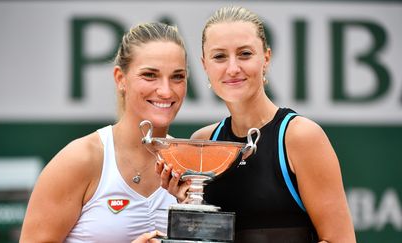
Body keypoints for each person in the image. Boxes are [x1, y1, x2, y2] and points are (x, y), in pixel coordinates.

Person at [158, 6, 356, 243]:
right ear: (204, 66)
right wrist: (187, 205)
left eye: (245, 54)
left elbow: (340, 240)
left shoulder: (300, 136)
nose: (232, 68)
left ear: (266, 59)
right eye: (219, 56)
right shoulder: (205, 139)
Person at [20, 22, 188, 243]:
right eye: (149, 75)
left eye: (177, 77)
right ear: (120, 79)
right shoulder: (80, 159)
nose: (166, 91)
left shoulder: (189, 165)